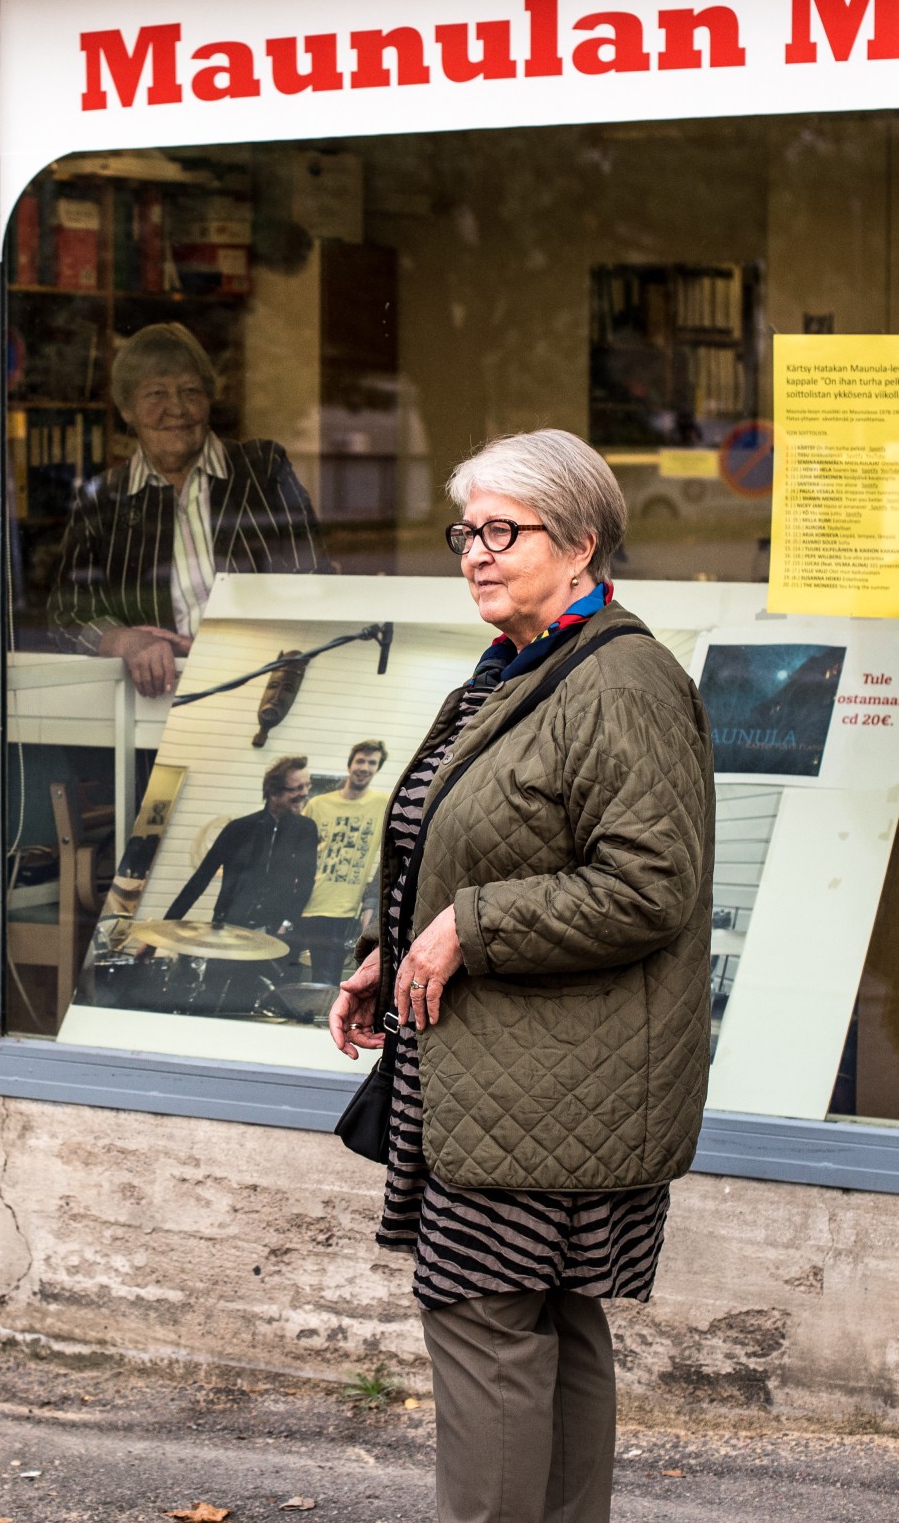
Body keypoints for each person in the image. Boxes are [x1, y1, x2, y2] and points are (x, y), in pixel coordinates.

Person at [328, 429, 712, 1523]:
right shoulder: (524, 666)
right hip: (517, 1078)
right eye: (468, 532)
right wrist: (395, 944)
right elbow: (472, 840)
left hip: (548, 1086)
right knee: (543, 1320)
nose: (476, 555)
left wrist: (467, 931)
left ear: (582, 541)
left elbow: (649, 887)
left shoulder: (622, 683)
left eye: (505, 531)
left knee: (486, 1321)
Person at [46, 322, 326, 696]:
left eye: (190, 390)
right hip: (151, 701)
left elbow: (308, 583)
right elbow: (67, 612)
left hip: (259, 685)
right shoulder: (102, 500)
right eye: (156, 393)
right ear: (127, 409)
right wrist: (124, 641)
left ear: (209, 399)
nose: (176, 408)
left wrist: (223, 652)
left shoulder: (263, 470)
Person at [166, 754, 318, 935]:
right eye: (296, 788)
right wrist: (165, 928)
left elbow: (306, 882)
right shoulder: (239, 828)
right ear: (273, 792)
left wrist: (288, 921)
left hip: (276, 930)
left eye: (307, 786)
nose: (305, 793)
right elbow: (200, 879)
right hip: (229, 926)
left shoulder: (306, 829)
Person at [297, 740, 390, 984]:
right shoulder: (318, 804)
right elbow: (296, 852)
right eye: (360, 760)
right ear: (350, 764)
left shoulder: (383, 804)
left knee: (325, 983)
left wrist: (372, 904)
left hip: (342, 911)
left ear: (377, 769)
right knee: (286, 977)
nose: (365, 767)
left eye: (372, 763)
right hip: (303, 904)